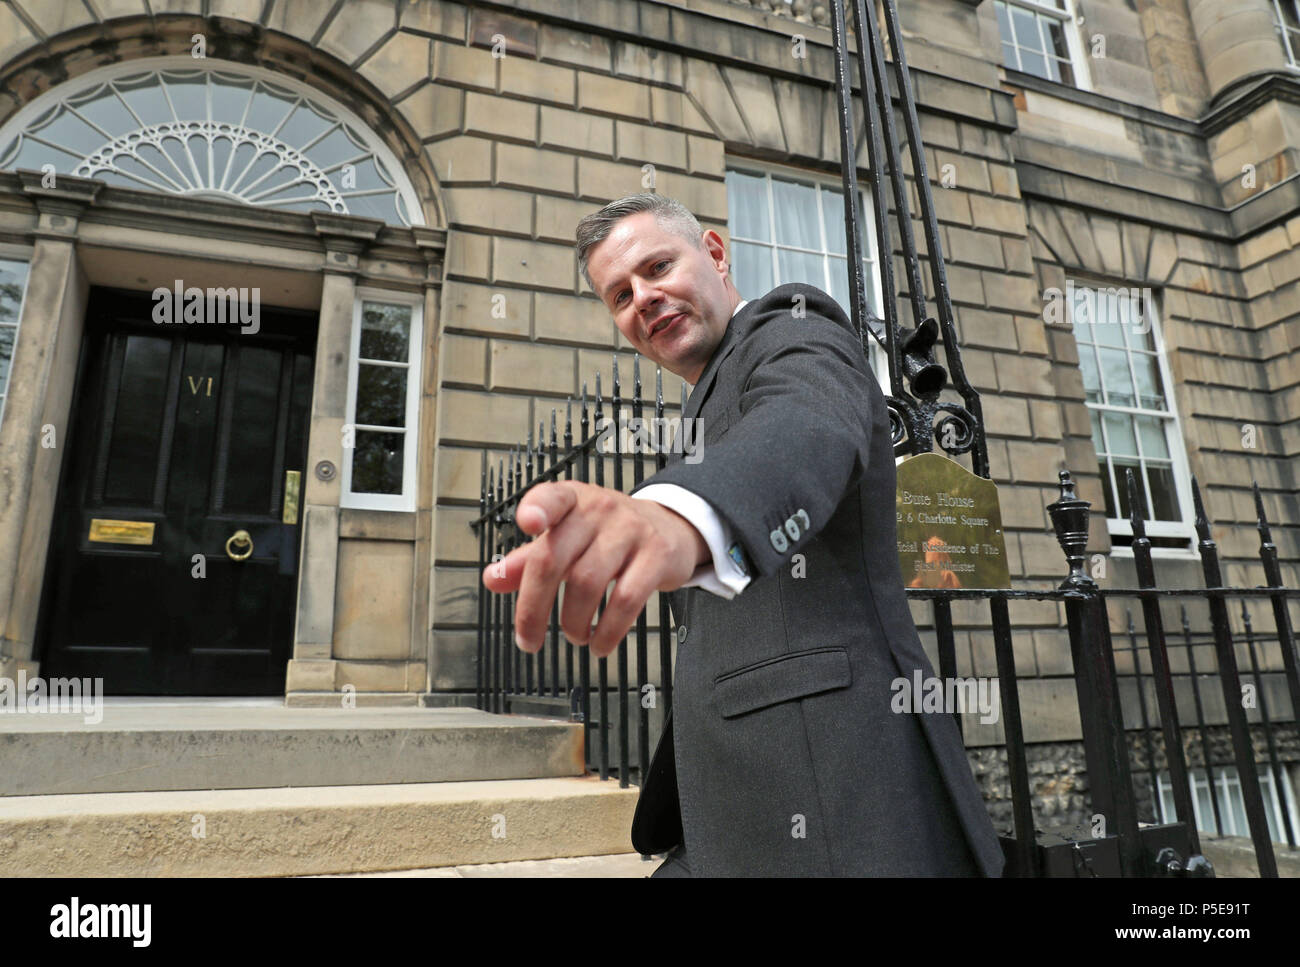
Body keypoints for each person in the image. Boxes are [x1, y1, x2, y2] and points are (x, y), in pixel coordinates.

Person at [482, 192, 1005, 877]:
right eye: (619, 294)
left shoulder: (791, 327)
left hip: (838, 811)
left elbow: (804, 425)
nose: (643, 297)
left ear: (717, 254)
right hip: (734, 813)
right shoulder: (705, 401)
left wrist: (678, 517)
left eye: (658, 266)